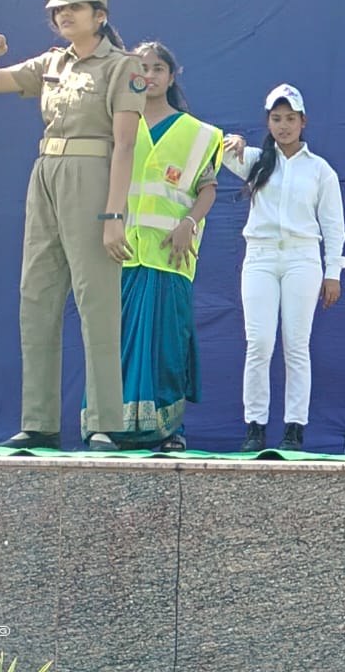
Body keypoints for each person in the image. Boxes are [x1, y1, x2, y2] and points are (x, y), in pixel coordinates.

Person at [0, 0, 142, 451]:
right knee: (36, 296)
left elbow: (125, 145)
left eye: (75, 8)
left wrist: (114, 215)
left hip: (93, 175)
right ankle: (38, 420)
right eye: (58, 10)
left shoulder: (123, 66)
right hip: (45, 174)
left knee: (95, 300)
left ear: (99, 16)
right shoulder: (51, 63)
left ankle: (105, 421)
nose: (64, 15)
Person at [108, 41, 223, 452]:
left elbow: (208, 188)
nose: (150, 75)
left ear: (171, 76)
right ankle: (111, 426)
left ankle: (169, 431)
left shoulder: (198, 134)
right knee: (115, 342)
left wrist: (189, 224)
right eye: (142, 68)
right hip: (120, 254)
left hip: (170, 256)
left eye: (158, 68)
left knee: (167, 345)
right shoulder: (118, 124)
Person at [221, 84, 345, 452]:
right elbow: (218, 152)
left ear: (303, 121)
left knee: (296, 345)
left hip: (302, 258)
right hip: (260, 257)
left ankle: (294, 428)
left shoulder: (320, 170)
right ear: (268, 122)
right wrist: (234, 141)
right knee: (259, 342)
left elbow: (333, 225)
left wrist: (333, 272)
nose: (284, 126)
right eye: (276, 118)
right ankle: (255, 426)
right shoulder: (255, 160)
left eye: (291, 118)